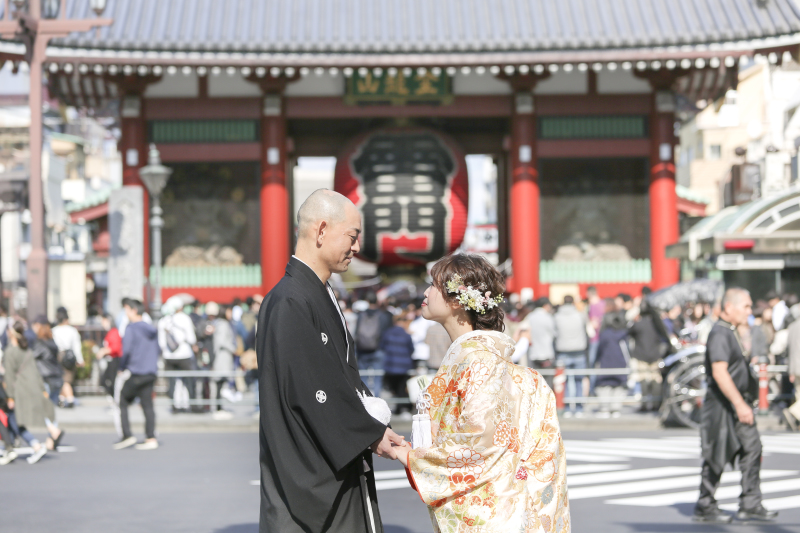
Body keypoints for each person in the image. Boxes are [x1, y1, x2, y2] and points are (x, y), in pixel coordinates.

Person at [256, 189, 403, 533]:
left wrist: (371, 426)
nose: (356, 248)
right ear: (321, 230)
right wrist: (369, 433)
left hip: (335, 453)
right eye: (351, 237)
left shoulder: (318, 293)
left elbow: (338, 378)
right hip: (313, 466)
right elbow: (312, 391)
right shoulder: (289, 301)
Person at [394, 254, 570, 531]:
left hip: (493, 514)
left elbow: (479, 442)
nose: (425, 292)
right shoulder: (485, 362)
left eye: (434, 285)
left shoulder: (478, 363)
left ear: (456, 300)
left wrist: (408, 456)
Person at [694, 288, 777, 523]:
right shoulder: (720, 333)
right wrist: (740, 404)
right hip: (723, 406)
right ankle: (705, 504)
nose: (750, 311)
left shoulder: (730, 331)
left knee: (752, 448)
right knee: (717, 454)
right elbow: (720, 373)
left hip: (735, 403)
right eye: (746, 306)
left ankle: (750, 503)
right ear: (729, 307)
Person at [4, 322, 65, 463]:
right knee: (17, 419)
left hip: (18, 391)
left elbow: (9, 377)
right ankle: (12, 445)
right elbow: (36, 373)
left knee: (14, 419)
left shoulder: (10, 351)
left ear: (11, 334)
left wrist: (10, 397)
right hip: (32, 388)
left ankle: (34, 445)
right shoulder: (27, 350)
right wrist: (42, 390)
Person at [116, 300, 160, 451]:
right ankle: (151, 437)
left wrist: (121, 367)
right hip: (150, 372)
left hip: (136, 372)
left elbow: (126, 350)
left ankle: (127, 434)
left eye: (126, 310)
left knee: (122, 400)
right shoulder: (151, 329)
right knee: (147, 405)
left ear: (134, 311)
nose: (125, 314)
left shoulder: (131, 329)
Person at [158, 298, 199, 414]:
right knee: (188, 381)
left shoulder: (163, 321)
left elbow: (161, 343)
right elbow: (192, 339)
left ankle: (175, 406)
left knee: (172, 382)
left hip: (168, 356)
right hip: (184, 355)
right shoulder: (185, 318)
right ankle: (191, 405)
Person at [554, 294, 588, 416]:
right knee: (579, 380)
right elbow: (586, 329)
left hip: (563, 351)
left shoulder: (557, 317)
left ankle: (567, 407)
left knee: (565, 381)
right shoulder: (580, 315)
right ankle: (579, 408)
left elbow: (555, 333)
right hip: (579, 350)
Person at [355, 291, 392, 396]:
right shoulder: (383, 315)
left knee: (363, 377)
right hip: (379, 349)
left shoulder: (361, 315)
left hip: (362, 349)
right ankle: (377, 400)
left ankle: (366, 399)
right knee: (378, 377)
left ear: (366, 301)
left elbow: (356, 332)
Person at [594, 311, 630, 418]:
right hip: (620, 363)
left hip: (606, 363)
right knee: (618, 387)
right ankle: (616, 409)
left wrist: (596, 361)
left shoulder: (604, 335)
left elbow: (599, 350)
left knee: (604, 387)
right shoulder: (624, 334)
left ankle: (604, 409)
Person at [380, 314, 415, 409]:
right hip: (404, 365)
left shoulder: (387, 333)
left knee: (393, 388)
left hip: (390, 364)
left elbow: (382, 346)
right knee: (402, 387)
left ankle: (396, 408)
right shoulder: (406, 335)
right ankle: (402, 408)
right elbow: (411, 349)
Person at [210, 304, 238, 420]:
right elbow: (221, 341)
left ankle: (219, 407)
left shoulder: (219, 323)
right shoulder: (223, 324)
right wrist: (233, 348)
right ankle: (218, 408)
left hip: (222, 356)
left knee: (220, 382)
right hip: (223, 357)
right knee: (220, 382)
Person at [52, 307, 83, 408]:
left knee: (62, 379)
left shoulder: (54, 331)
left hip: (57, 356)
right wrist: (80, 359)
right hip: (69, 357)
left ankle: (64, 399)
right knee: (67, 379)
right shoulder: (72, 331)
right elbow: (76, 346)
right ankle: (68, 399)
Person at [31, 316, 63, 406]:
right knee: (51, 408)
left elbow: (31, 357)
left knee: (44, 408)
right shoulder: (53, 343)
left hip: (45, 379)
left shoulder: (40, 344)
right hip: (56, 377)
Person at [528, 297, 557, 375]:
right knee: (547, 380)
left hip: (533, 353)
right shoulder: (548, 317)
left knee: (535, 379)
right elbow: (554, 333)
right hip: (547, 353)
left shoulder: (530, 317)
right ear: (546, 306)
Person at [782, 308, 800, 431]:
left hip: (795, 366)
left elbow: (789, 350)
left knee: (799, 394)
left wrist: (791, 370)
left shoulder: (792, 327)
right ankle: (793, 411)